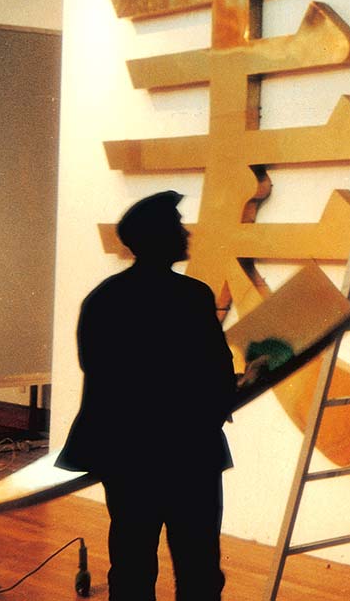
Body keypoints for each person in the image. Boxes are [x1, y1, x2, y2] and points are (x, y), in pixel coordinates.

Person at [57, 191, 248, 601]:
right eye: (177, 226)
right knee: (198, 569)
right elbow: (213, 373)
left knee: (132, 566)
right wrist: (243, 380)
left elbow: (98, 371)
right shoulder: (193, 296)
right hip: (189, 452)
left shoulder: (102, 298)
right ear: (158, 236)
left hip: (127, 454)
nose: (186, 232)